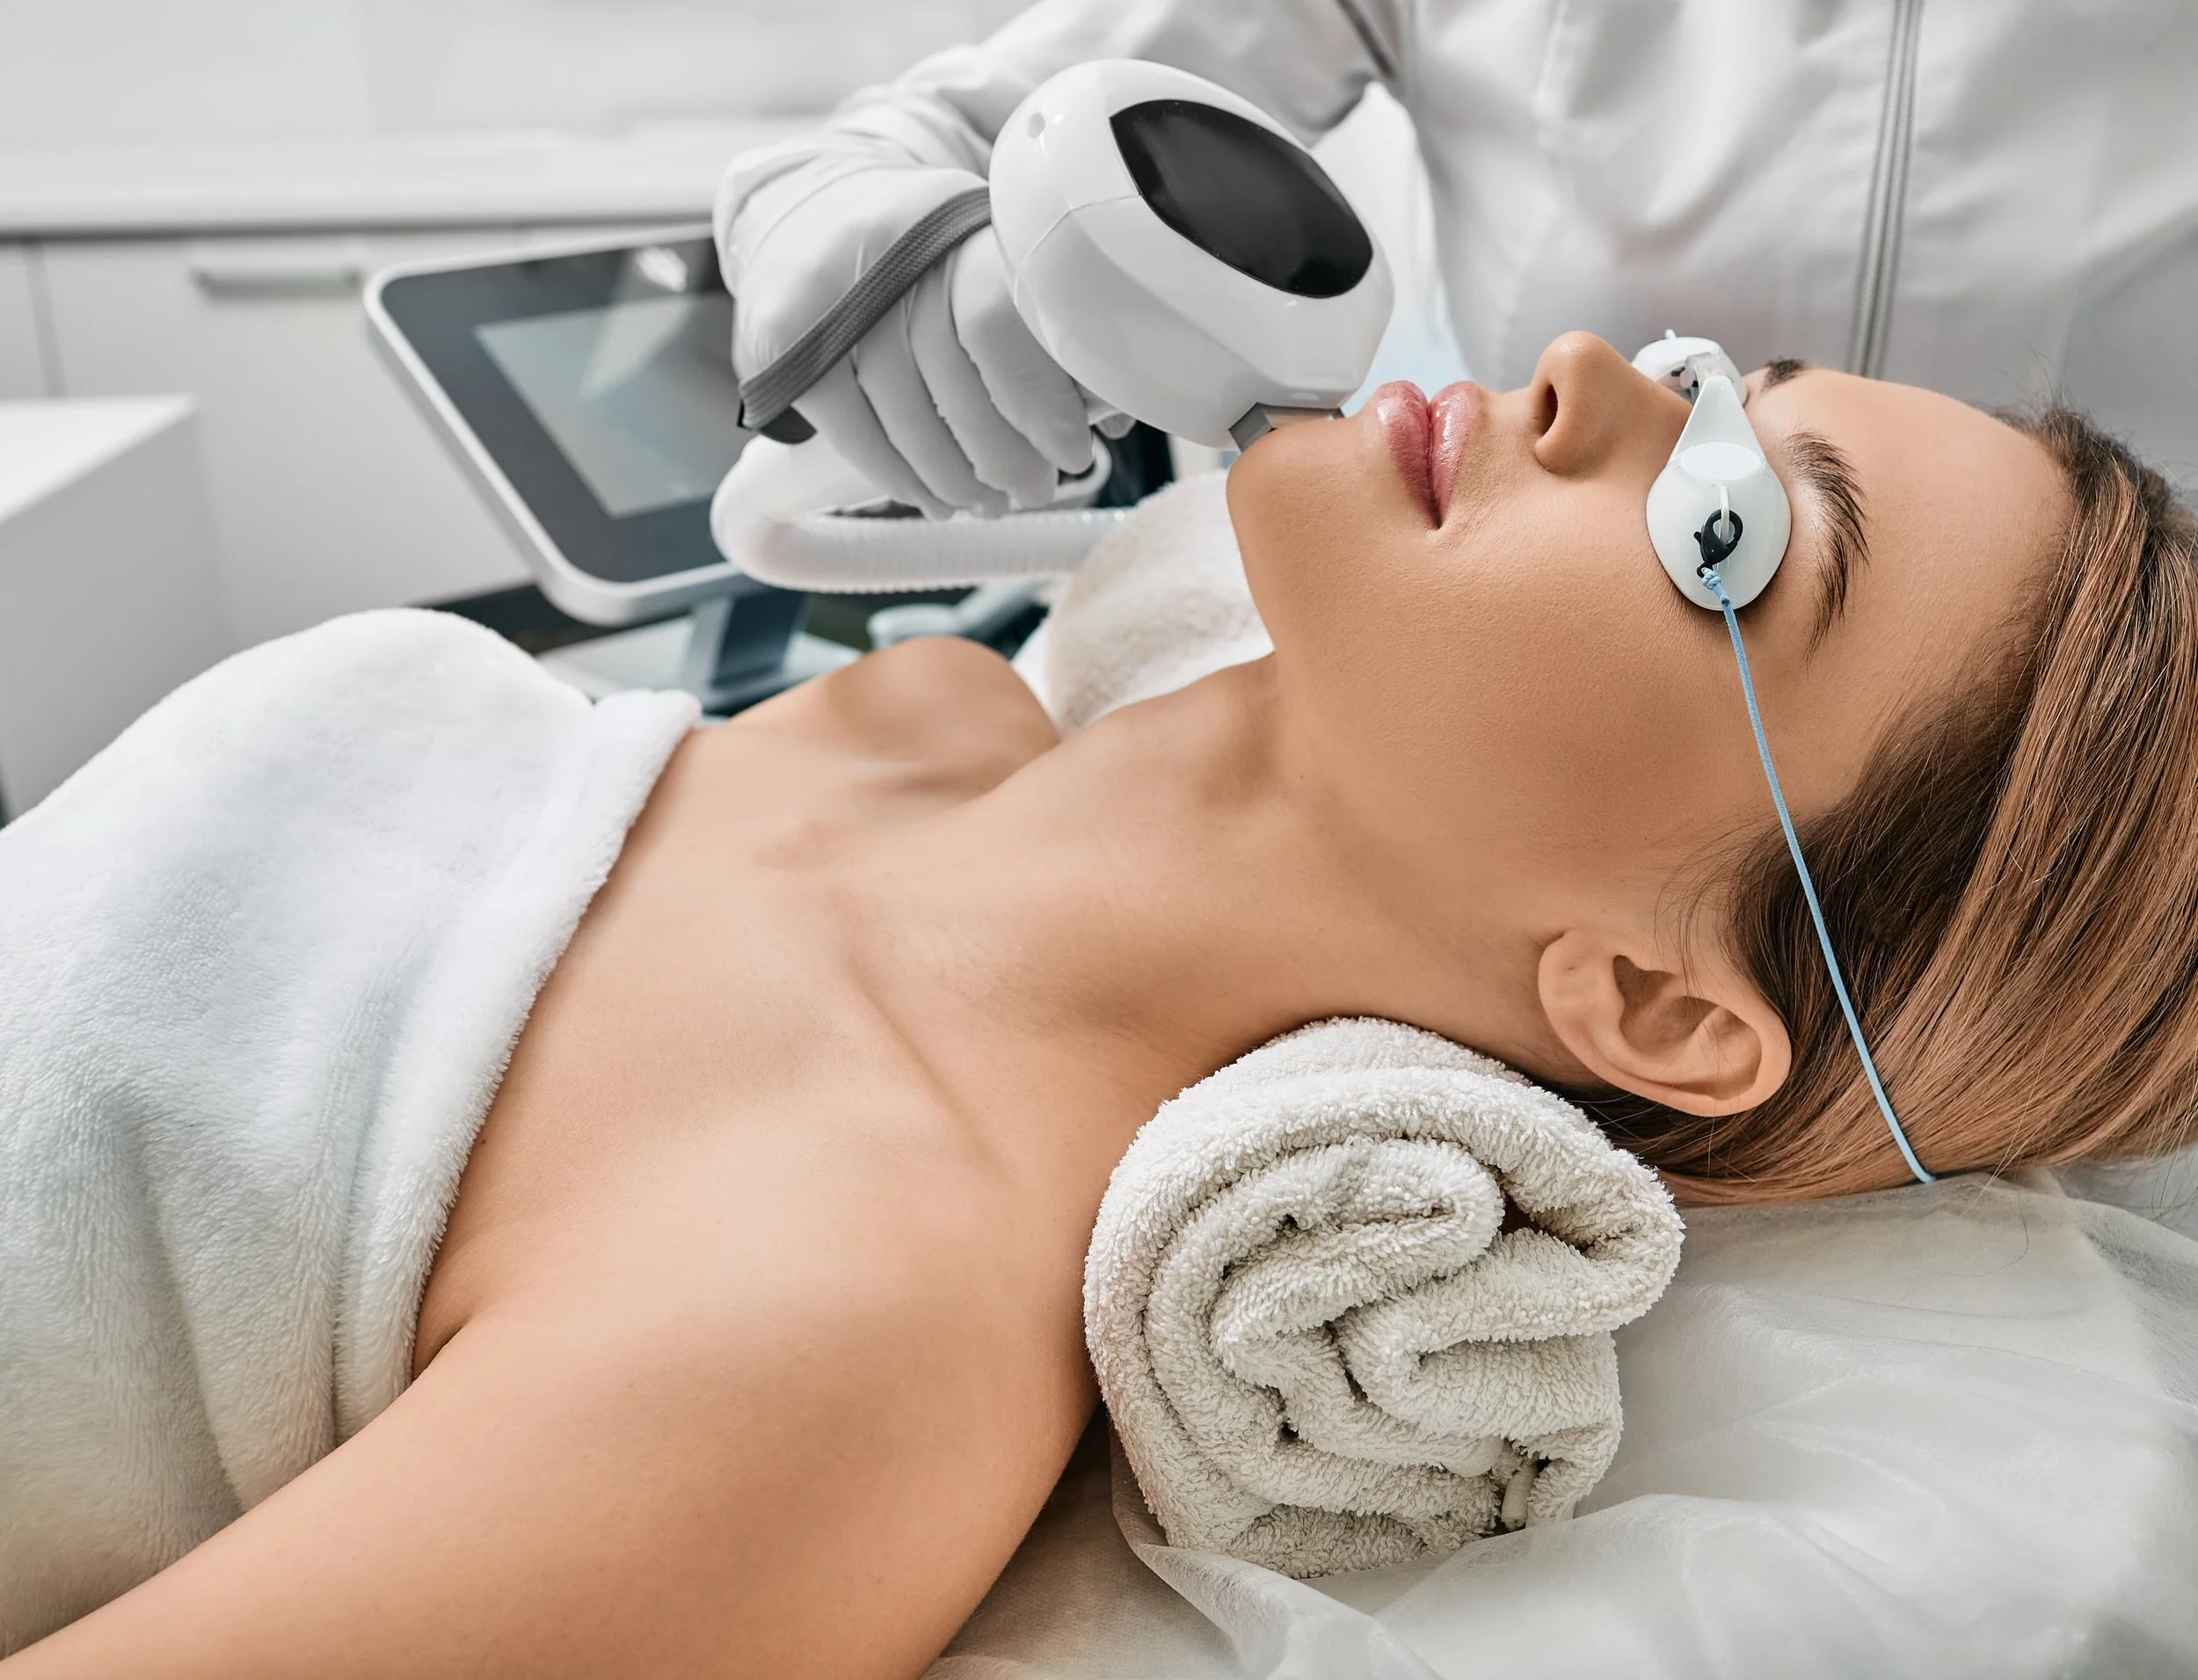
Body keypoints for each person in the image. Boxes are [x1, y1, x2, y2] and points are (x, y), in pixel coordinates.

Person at [5, 333, 2194, 1676]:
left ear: (1656, 1000)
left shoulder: (842, 1334)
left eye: (1726, 527)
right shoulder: (920, 711)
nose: (1596, 381)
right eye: (1728, 371)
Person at [718, 0, 2198, 521]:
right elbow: (955, 130)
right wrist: (865, 229)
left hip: (2116, 786)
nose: (1578, 385)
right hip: (1544, 712)